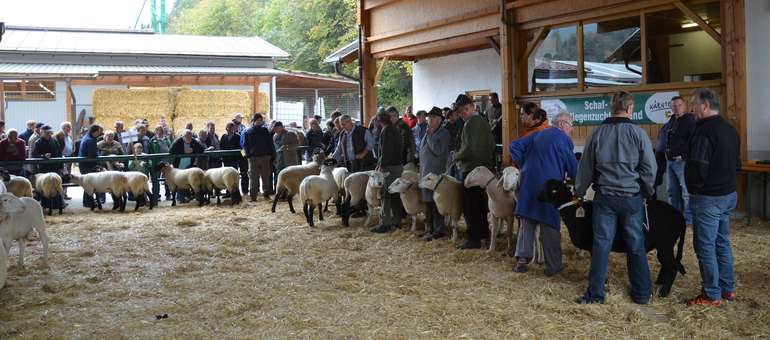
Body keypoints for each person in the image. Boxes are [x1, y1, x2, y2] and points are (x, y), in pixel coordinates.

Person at [575, 91, 656, 305]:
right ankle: (641, 294)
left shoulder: (597, 133)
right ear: (630, 109)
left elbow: (585, 168)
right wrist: (647, 191)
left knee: (601, 244)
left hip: (605, 198)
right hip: (631, 198)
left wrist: (579, 191)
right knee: (636, 244)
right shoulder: (639, 134)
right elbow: (650, 168)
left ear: (611, 109)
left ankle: (595, 295)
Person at [684, 89, 740, 307]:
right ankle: (728, 289)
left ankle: (711, 295)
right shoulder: (729, 129)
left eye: (693, 104)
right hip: (728, 194)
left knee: (705, 246)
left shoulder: (704, 132)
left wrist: (694, 189)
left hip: (708, 197)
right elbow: (736, 163)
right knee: (722, 242)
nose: (692, 109)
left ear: (705, 105)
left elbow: (698, 166)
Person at [509, 112, 578, 275]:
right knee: (550, 225)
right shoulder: (564, 139)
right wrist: (578, 183)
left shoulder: (538, 134)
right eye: (571, 126)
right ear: (562, 124)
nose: (571, 130)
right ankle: (553, 266)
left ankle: (521, 261)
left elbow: (514, 146)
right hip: (549, 187)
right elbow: (573, 166)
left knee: (527, 221)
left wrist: (524, 164)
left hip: (528, 183)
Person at [453, 94, 496, 249]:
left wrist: (456, 156)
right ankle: (483, 234)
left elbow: (469, 149)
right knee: (479, 204)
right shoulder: (483, 122)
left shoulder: (472, 123)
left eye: (464, 110)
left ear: (471, 107)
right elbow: (491, 146)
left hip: (471, 170)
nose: (462, 113)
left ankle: (474, 238)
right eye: (460, 111)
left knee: (470, 205)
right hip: (482, 170)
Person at [419, 107, 451, 241]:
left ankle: (439, 230)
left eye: (432, 118)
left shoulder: (444, 133)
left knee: (436, 201)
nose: (429, 120)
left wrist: (431, 135)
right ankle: (429, 229)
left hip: (436, 174)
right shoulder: (428, 131)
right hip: (425, 173)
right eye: (428, 118)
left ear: (439, 120)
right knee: (428, 202)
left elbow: (438, 151)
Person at [371, 110, 404, 233]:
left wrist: (382, 165)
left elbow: (386, 150)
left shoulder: (387, 130)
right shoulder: (393, 128)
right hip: (397, 165)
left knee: (386, 193)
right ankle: (397, 220)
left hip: (391, 167)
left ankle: (385, 223)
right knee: (394, 194)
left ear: (379, 121)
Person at [665, 96, 696, 225]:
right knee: (672, 191)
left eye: (679, 105)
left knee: (686, 192)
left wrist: (684, 155)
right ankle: (674, 217)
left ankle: (688, 220)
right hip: (670, 161)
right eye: (674, 105)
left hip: (682, 162)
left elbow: (694, 140)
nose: (676, 107)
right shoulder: (672, 120)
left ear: (684, 106)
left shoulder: (690, 120)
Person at [241, 113, 276, 201]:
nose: (260, 122)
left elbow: (270, 143)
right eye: (258, 120)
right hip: (253, 158)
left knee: (266, 176)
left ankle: (266, 194)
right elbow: (245, 145)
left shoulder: (265, 131)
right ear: (254, 121)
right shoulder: (248, 131)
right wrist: (248, 156)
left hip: (265, 157)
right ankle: (253, 196)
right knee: (253, 177)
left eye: (261, 120)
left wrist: (272, 155)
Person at [169, 129, 205, 203]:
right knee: (179, 180)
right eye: (187, 136)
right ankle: (180, 198)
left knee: (190, 180)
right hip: (179, 165)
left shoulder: (193, 141)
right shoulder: (178, 141)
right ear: (183, 136)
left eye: (190, 136)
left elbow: (201, 149)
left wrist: (193, 150)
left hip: (189, 165)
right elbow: (171, 151)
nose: (189, 138)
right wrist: (183, 151)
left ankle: (191, 197)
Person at [220, 121, 248, 195]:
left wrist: (244, 156)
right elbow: (221, 147)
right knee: (227, 176)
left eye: (232, 127)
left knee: (237, 175)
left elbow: (241, 147)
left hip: (236, 160)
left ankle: (240, 191)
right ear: (226, 128)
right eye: (229, 127)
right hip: (227, 160)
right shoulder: (223, 137)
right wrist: (222, 157)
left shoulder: (237, 136)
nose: (230, 128)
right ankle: (228, 191)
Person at [78, 125, 102, 208]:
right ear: (95, 132)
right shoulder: (90, 140)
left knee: (87, 183)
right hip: (88, 166)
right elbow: (93, 155)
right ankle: (88, 202)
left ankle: (88, 201)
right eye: (98, 132)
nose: (99, 133)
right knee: (89, 183)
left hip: (84, 165)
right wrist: (98, 164)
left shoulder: (87, 137)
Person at [148, 125, 173, 201]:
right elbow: (151, 151)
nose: (160, 132)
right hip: (157, 162)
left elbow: (170, 148)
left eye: (161, 130)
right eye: (158, 130)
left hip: (166, 161)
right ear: (155, 131)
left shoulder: (167, 139)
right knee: (156, 179)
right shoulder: (152, 140)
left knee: (168, 179)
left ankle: (168, 194)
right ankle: (156, 195)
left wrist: (170, 161)